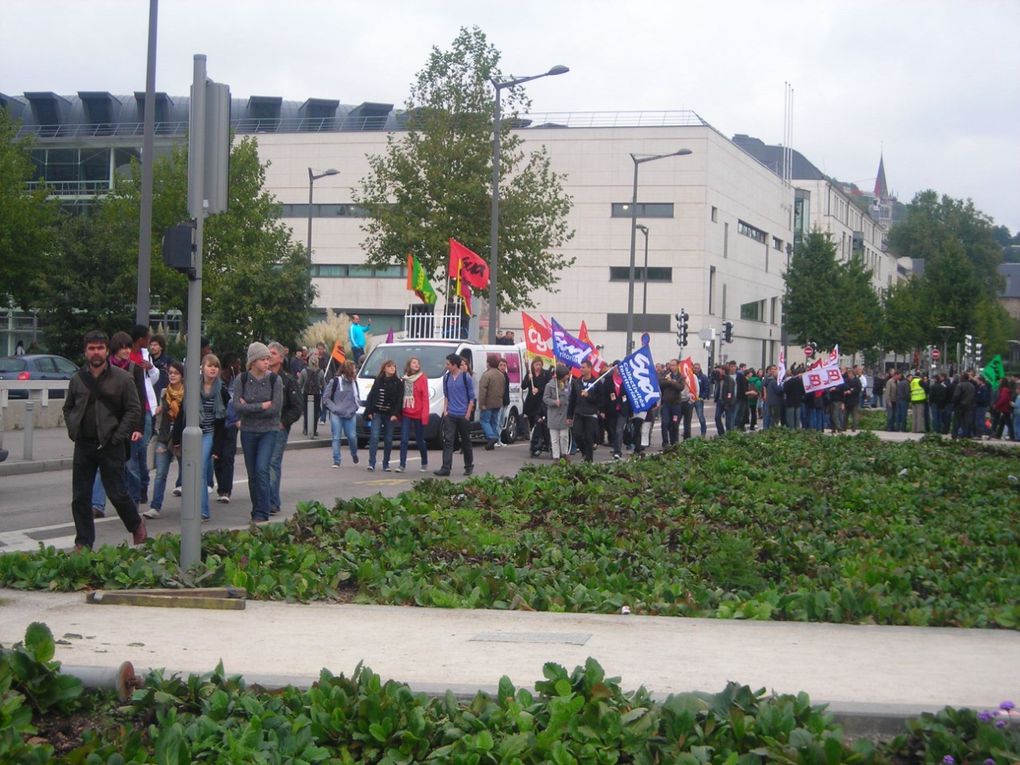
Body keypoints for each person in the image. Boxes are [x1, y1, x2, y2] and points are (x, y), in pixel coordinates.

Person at [62, 329, 147, 550]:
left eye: (100, 348)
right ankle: (83, 542)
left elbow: (133, 409)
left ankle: (137, 526)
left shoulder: (123, 378)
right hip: (84, 444)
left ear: (107, 351)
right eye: (91, 348)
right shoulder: (77, 380)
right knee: (80, 497)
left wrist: (119, 436)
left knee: (117, 493)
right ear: (85, 352)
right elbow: (68, 407)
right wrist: (74, 430)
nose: (96, 352)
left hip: (111, 445)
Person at [234, 342, 283, 522]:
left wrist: (250, 407)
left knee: (262, 469)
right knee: (252, 473)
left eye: (268, 359)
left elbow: (275, 408)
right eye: (263, 359)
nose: (267, 363)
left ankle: (263, 511)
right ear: (253, 361)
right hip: (248, 431)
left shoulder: (274, 380)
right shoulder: (242, 379)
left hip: (269, 430)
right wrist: (261, 405)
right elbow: (237, 406)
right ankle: (256, 508)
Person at [143, 361, 184, 519]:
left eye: (176, 373)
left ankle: (189, 506)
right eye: (170, 373)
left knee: (187, 472)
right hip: (165, 436)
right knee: (161, 473)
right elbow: (159, 418)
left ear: (182, 376)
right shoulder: (163, 393)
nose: (172, 375)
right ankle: (155, 506)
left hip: (181, 437)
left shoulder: (188, 393)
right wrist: (158, 431)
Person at [267, 341, 303, 514]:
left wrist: (283, 423)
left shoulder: (288, 380)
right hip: (261, 426)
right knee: (262, 465)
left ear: (281, 358)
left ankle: (272, 502)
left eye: (273, 353)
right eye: (267, 352)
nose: (268, 355)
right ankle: (267, 499)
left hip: (279, 427)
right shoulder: (261, 377)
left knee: (273, 462)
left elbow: (297, 407)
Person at [129, 324, 159, 505]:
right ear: (140, 339)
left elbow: (154, 378)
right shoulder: (129, 357)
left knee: (141, 449)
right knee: (134, 452)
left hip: (147, 406)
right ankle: (136, 487)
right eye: (147, 338)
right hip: (132, 406)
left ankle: (142, 485)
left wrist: (150, 368)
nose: (149, 341)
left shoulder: (145, 355)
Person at [434, 353, 475, 477]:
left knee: (466, 441)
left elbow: (471, 398)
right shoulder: (446, 378)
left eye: (448, 364)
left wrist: (468, 413)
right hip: (451, 414)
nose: (446, 366)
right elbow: (446, 396)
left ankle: (468, 466)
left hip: (463, 414)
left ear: (454, 364)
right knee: (448, 441)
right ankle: (446, 467)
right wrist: (445, 411)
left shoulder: (465, 377)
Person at [364, 359, 402, 471]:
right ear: (384, 368)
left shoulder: (398, 383)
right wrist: (369, 411)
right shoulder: (378, 380)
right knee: (374, 437)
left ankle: (386, 463)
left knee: (389, 439)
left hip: (390, 415)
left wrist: (395, 414)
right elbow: (371, 396)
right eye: (390, 366)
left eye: (394, 367)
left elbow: (399, 400)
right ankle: (371, 463)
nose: (392, 368)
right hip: (377, 413)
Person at [213, 353, 240, 503]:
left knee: (228, 457)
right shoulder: (217, 382)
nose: (238, 367)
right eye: (236, 364)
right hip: (218, 423)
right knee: (217, 456)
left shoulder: (237, 380)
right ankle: (221, 488)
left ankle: (225, 490)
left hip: (231, 423)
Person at [323, 359, 360, 467]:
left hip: (350, 414)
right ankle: (336, 460)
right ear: (348, 370)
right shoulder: (334, 381)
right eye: (353, 369)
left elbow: (356, 397)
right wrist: (334, 409)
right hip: (336, 414)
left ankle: (354, 453)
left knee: (352, 436)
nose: (356, 370)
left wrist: (355, 408)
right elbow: (326, 398)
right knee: (336, 437)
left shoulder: (354, 383)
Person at [567, 360, 603, 462]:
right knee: (577, 434)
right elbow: (572, 400)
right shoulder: (577, 382)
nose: (581, 369)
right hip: (579, 413)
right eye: (581, 367)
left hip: (591, 414)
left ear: (589, 368)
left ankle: (589, 459)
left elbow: (600, 400)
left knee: (589, 438)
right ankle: (585, 453)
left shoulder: (597, 383)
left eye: (583, 367)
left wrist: (589, 396)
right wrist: (569, 416)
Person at [397, 357, 429, 472]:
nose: (416, 364)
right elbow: (401, 396)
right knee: (404, 439)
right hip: (406, 412)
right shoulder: (405, 379)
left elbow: (425, 397)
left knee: (419, 440)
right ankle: (402, 465)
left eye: (418, 363)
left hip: (418, 413)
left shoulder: (422, 378)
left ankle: (424, 462)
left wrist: (425, 415)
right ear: (409, 365)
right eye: (414, 362)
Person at [603, 362, 632, 459]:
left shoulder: (627, 380)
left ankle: (617, 451)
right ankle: (615, 445)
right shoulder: (608, 380)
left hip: (623, 410)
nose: (618, 370)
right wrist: (602, 410)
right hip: (611, 410)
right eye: (616, 368)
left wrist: (630, 411)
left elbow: (630, 397)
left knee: (619, 430)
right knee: (612, 430)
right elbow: (605, 396)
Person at [522, 358, 550, 457]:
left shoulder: (545, 374)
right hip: (531, 403)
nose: (537, 367)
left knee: (540, 423)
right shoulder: (530, 374)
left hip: (541, 403)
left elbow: (548, 386)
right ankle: (535, 442)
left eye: (539, 365)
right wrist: (528, 379)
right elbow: (523, 386)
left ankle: (540, 443)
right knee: (533, 424)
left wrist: (539, 389)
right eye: (536, 365)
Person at [543, 364, 571, 460]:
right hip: (553, 414)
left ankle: (565, 453)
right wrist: (554, 402)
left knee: (564, 436)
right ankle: (556, 457)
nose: (568, 377)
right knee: (554, 438)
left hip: (564, 414)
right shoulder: (549, 386)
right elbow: (545, 399)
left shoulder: (568, 385)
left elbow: (570, 398)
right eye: (566, 375)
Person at [478, 354, 506, 450]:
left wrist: (481, 404)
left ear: (488, 363)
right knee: (494, 421)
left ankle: (491, 437)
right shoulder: (501, 375)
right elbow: (503, 389)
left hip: (488, 403)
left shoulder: (486, 375)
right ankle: (493, 441)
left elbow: (482, 391)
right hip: (498, 402)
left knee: (484, 421)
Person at [299, 351, 324, 437]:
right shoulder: (321, 372)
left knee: (306, 412)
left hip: (305, 394)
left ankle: (306, 429)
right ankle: (314, 430)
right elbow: (324, 384)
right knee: (316, 412)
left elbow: (300, 384)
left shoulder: (303, 371)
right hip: (317, 394)